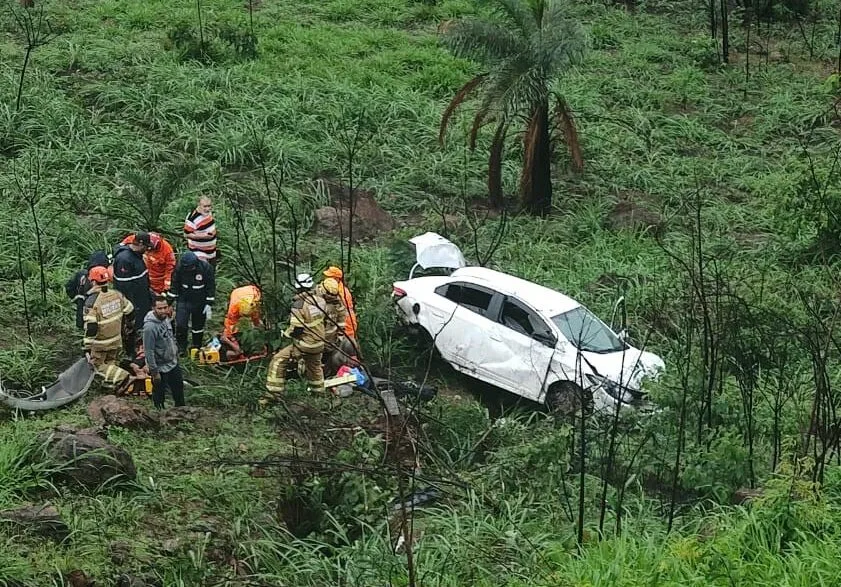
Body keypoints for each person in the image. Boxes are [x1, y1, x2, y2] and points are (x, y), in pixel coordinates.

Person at [263, 274, 326, 406]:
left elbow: (297, 329)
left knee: (278, 360)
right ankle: (319, 396)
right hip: (320, 342)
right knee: (315, 368)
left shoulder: (298, 305)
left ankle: (272, 395)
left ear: (298, 288)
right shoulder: (320, 300)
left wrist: (286, 334)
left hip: (305, 344)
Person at [82, 266, 135, 393]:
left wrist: (87, 346)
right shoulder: (117, 294)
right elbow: (130, 310)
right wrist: (128, 327)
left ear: (93, 281)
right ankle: (111, 388)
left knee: (97, 366)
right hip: (116, 340)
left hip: (100, 343)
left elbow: (92, 327)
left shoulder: (92, 301)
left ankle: (124, 377)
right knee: (110, 363)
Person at [169, 252, 215, 354]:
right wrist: (169, 302)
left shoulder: (205, 268)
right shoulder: (180, 268)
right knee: (181, 324)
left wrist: (209, 304)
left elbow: (211, 287)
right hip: (183, 299)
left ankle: (196, 346)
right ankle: (181, 347)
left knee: (198, 326)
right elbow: (174, 285)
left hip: (200, 301)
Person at [142, 296, 185, 409]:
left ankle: (181, 411)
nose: (163, 311)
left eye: (165, 307)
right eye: (159, 308)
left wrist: (175, 353)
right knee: (159, 394)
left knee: (178, 388)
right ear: (153, 308)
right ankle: (159, 414)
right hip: (160, 367)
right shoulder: (150, 328)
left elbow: (170, 337)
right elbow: (148, 350)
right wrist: (154, 372)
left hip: (172, 362)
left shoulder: (166, 319)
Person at [113, 232, 152, 331]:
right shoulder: (125, 259)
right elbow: (123, 287)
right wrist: (131, 307)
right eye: (146, 247)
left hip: (142, 298)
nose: (147, 250)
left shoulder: (136, 256)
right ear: (140, 244)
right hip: (134, 301)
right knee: (133, 327)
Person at [65, 250, 111, 330]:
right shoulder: (106, 277)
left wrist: (77, 298)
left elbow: (69, 287)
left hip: (83, 312)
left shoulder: (81, 275)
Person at [220, 284, 262, 360]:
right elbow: (230, 323)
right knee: (232, 324)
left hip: (250, 293)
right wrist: (231, 339)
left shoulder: (254, 302)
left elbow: (256, 319)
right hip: (237, 294)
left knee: (256, 320)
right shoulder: (233, 308)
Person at [322, 266, 358, 339]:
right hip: (344, 319)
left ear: (336, 279)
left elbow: (340, 311)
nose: (326, 278)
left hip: (346, 321)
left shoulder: (340, 292)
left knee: (346, 343)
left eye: (329, 277)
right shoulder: (337, 288)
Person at [184, 196, 217, 265]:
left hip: (211, 253)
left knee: (211, 274)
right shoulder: (192, 218)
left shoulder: (209, 213)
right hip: (199, 254)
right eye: (205, 206)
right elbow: (186, 234)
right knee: (203, 273)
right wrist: (203, 237)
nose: (207, 209)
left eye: (209, 206)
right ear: (199, 205)